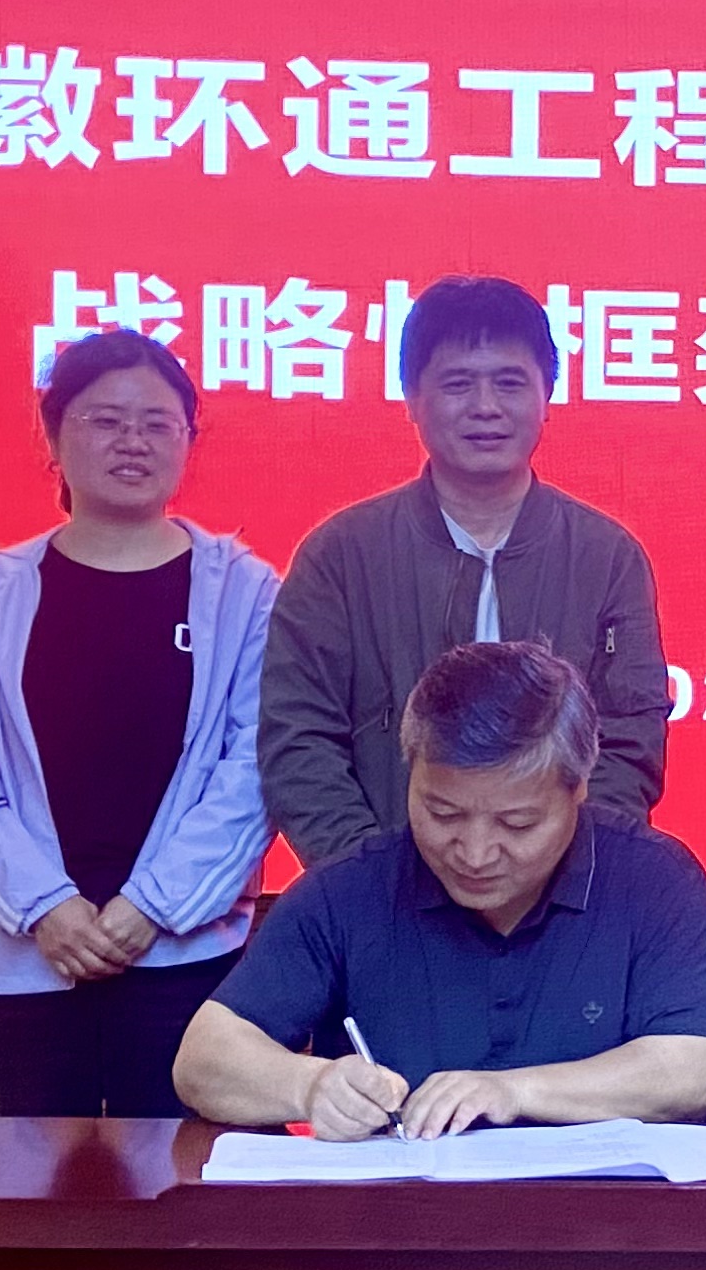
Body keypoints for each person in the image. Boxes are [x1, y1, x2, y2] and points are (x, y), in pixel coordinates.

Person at [0, 327, 278, 1115]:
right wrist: (46, 906)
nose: (133, 442)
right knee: (23, 1187)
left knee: (187, 1181)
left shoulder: (245, 591)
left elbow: (254, 768)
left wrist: (152, 907)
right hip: (23, 961)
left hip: (186, 959)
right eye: (105, 420)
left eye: (158, 424)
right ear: (52, 437)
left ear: (188, 440)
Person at [176, 641, 706, 1140]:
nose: (475, 853)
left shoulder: (654, 880)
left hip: (601, 1215)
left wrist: (513, 1091)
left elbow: (685, 1073)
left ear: (579, 787)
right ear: (411, 773)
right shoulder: (348, 892)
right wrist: (311, 1085)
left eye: (516, 824)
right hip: (393, 1215)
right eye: (444, 814)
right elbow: (203, 1059)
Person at [258, 273, 669, 871]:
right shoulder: (340, 555)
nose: (485, 407)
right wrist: (369, 879)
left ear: (547, 395)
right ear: (411, 397)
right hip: (381, 890)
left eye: (510, 382)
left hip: (559, 895)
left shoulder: (606, 556)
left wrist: (558, 870)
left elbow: (630, 740)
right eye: (458, 383)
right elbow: (298, 737)